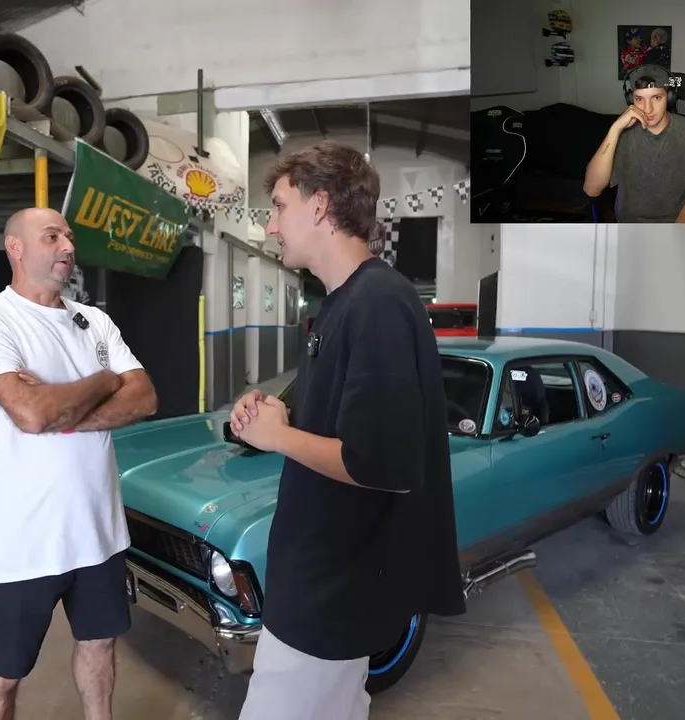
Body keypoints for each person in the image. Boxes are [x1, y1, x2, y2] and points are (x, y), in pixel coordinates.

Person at [230, 141, 466, 720]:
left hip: (331, 592)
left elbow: (382, 463)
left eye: (279, 206)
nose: (270, 226)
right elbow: (335, 422)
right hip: (316, 578)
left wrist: (277, 437)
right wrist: (273, 416)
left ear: (319, 205)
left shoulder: (378, 303)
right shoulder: (340, 303)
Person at [0, 207, 158, 720]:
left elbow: (145, 398)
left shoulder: (96, 322)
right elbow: (31, 412)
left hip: (99, 533)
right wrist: (106, 380)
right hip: (24, 543)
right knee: (1, 677)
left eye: (68, 237)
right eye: (51, 237)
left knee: (100, 648)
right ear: (15, 248)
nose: (67, 246)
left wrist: (63, 409)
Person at [582, 67, 685, 223]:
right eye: (639, 99)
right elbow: (591, 189)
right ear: (630, 100)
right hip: (635, 228)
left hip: (682, 222)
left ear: (669, 97)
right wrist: (615, 130)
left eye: (656, 98)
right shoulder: (621, 134)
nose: (648, 109)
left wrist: (676, 232)